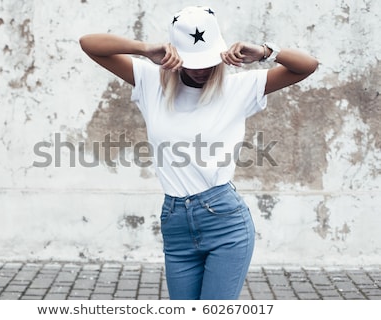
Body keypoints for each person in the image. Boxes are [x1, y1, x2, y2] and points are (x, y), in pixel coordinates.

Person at [79, 6, 318, 300]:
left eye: (208, 60)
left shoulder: (238, 88)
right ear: (175, 56)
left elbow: (307, 66)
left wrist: (265, 52)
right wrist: (143, 49)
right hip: (175, 223)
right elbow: (88, 44)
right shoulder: (150, 81)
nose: (202, 69)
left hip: (225, 223)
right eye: (193, 61)